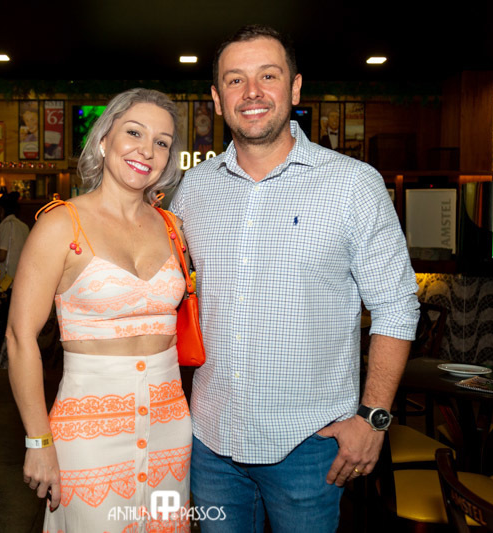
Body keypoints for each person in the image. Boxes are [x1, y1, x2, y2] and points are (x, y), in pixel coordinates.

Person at [169, 25, 419, 532]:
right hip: (210, 440)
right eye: (235, 80)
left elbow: (397, 305)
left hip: (310, 445)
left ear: (295, 88)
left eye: (268, 75)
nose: (252, 92)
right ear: (216, 99)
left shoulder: (353, 184)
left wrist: (374, 418)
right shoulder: (194, 189)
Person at [7, 88, 192, 532]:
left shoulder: (174, 228)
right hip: (88, 429)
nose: (147, 150)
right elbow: (19, 338)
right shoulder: (60, 225)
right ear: (105, 139)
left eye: (162, 142)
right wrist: (38, 440)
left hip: (170, 423)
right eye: (134, 133)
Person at [0, 192, 29, 285]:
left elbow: (2, 256)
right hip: (22, 278)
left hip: (8, 280)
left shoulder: (7, 225)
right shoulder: (24, 226)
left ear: (2, 210)